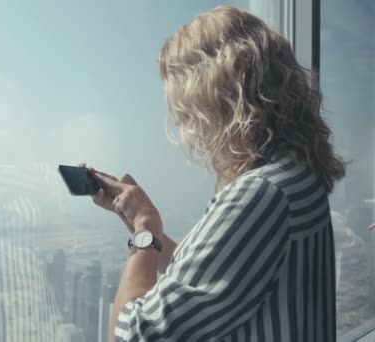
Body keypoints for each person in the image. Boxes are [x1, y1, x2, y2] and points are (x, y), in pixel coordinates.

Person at [88, 6, 346, 342]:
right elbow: (218, 269)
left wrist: (145, 230)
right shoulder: (295, 174)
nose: (184, 127)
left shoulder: (262, 195)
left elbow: (132, 334)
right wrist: (142, 226)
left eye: (183, 109)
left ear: (213, 100)